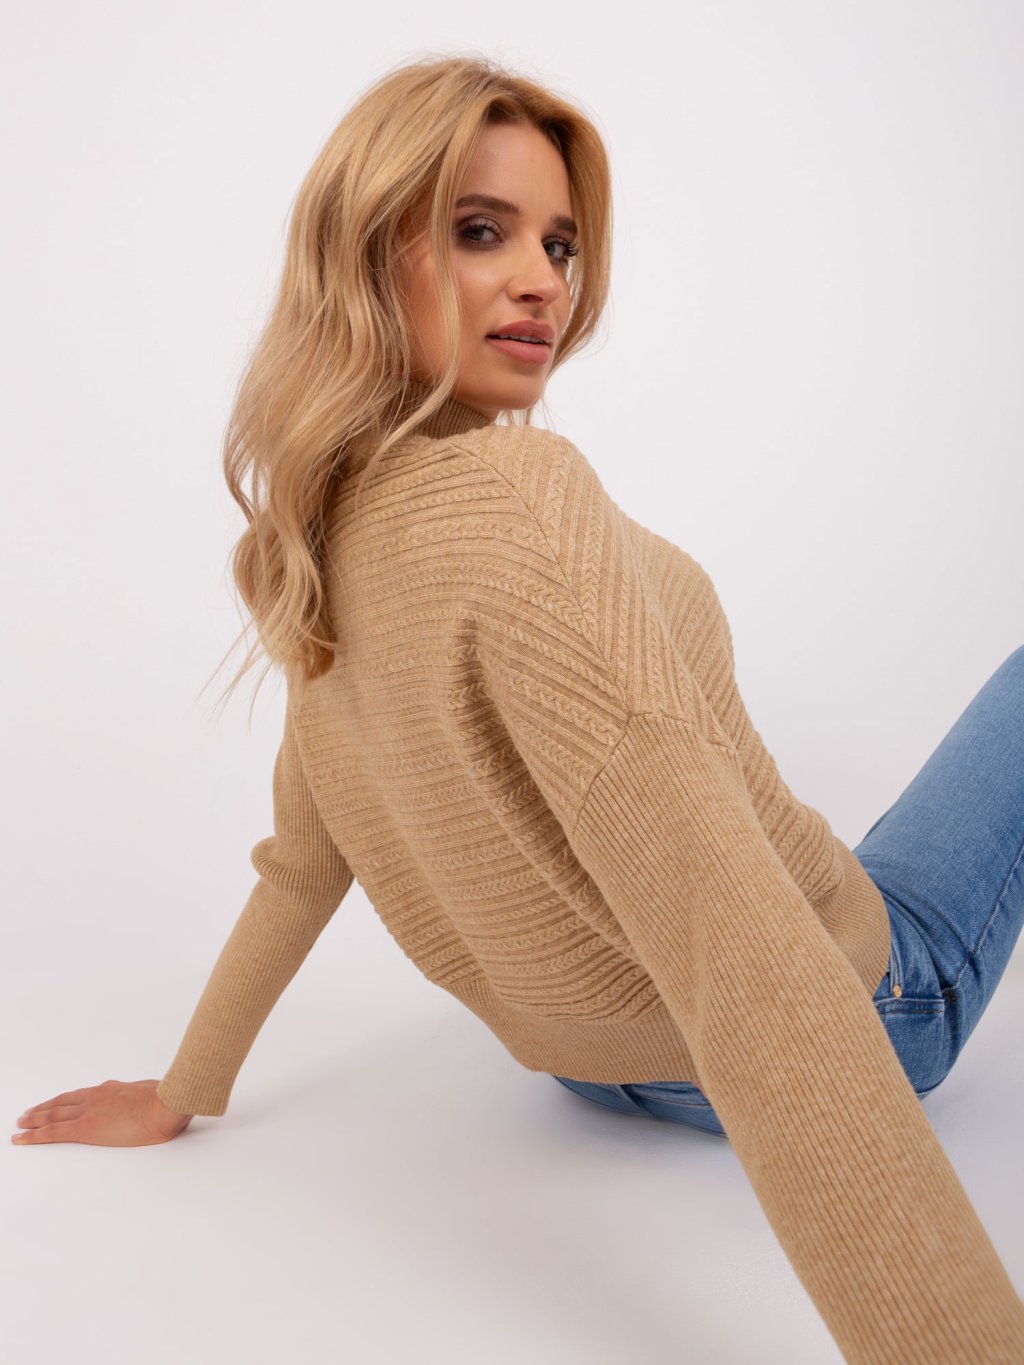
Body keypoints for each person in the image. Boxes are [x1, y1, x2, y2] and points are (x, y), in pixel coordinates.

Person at [13, 53, 1024, 1364]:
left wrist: (183, 1087)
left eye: (559, 242)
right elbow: (741, 958)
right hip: (856, 1007)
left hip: (587, 1070)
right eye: (482, 231)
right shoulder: (527, 504)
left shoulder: (317, 554)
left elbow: (302, 863)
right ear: (364, 255)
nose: (546, 279)